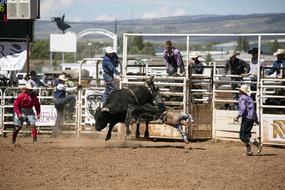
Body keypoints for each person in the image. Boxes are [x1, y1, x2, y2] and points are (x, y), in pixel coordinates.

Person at [234, 84, 263, 156]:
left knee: (243, 136)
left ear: (241, 91)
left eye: (239, 90)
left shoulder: (242, 98)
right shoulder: (249, 98)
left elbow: (242, 108)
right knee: (246, 134)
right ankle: (249, 150)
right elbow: (253, 110)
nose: (238, 91)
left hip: (247, 117)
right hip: (251, 118)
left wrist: (237, 116)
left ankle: (257, 144)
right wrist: (256, 119)